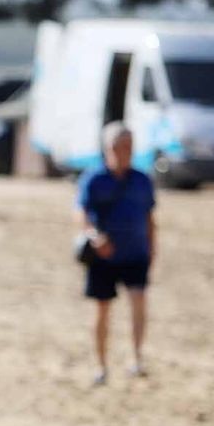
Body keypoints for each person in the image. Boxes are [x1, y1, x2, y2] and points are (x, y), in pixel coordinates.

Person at [76, 122, 155, 386]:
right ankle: (100, 364)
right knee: (102, 310)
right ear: (109, 148)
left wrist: (152, 249)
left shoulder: (142, 180)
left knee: (138, 302)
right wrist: (96, 239)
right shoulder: (94, 178)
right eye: (122, 146)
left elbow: (150, 217)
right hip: (104, 256)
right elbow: (82, 214)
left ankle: (136, 358)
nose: (126, 152)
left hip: (135, 253)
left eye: (130, 147)